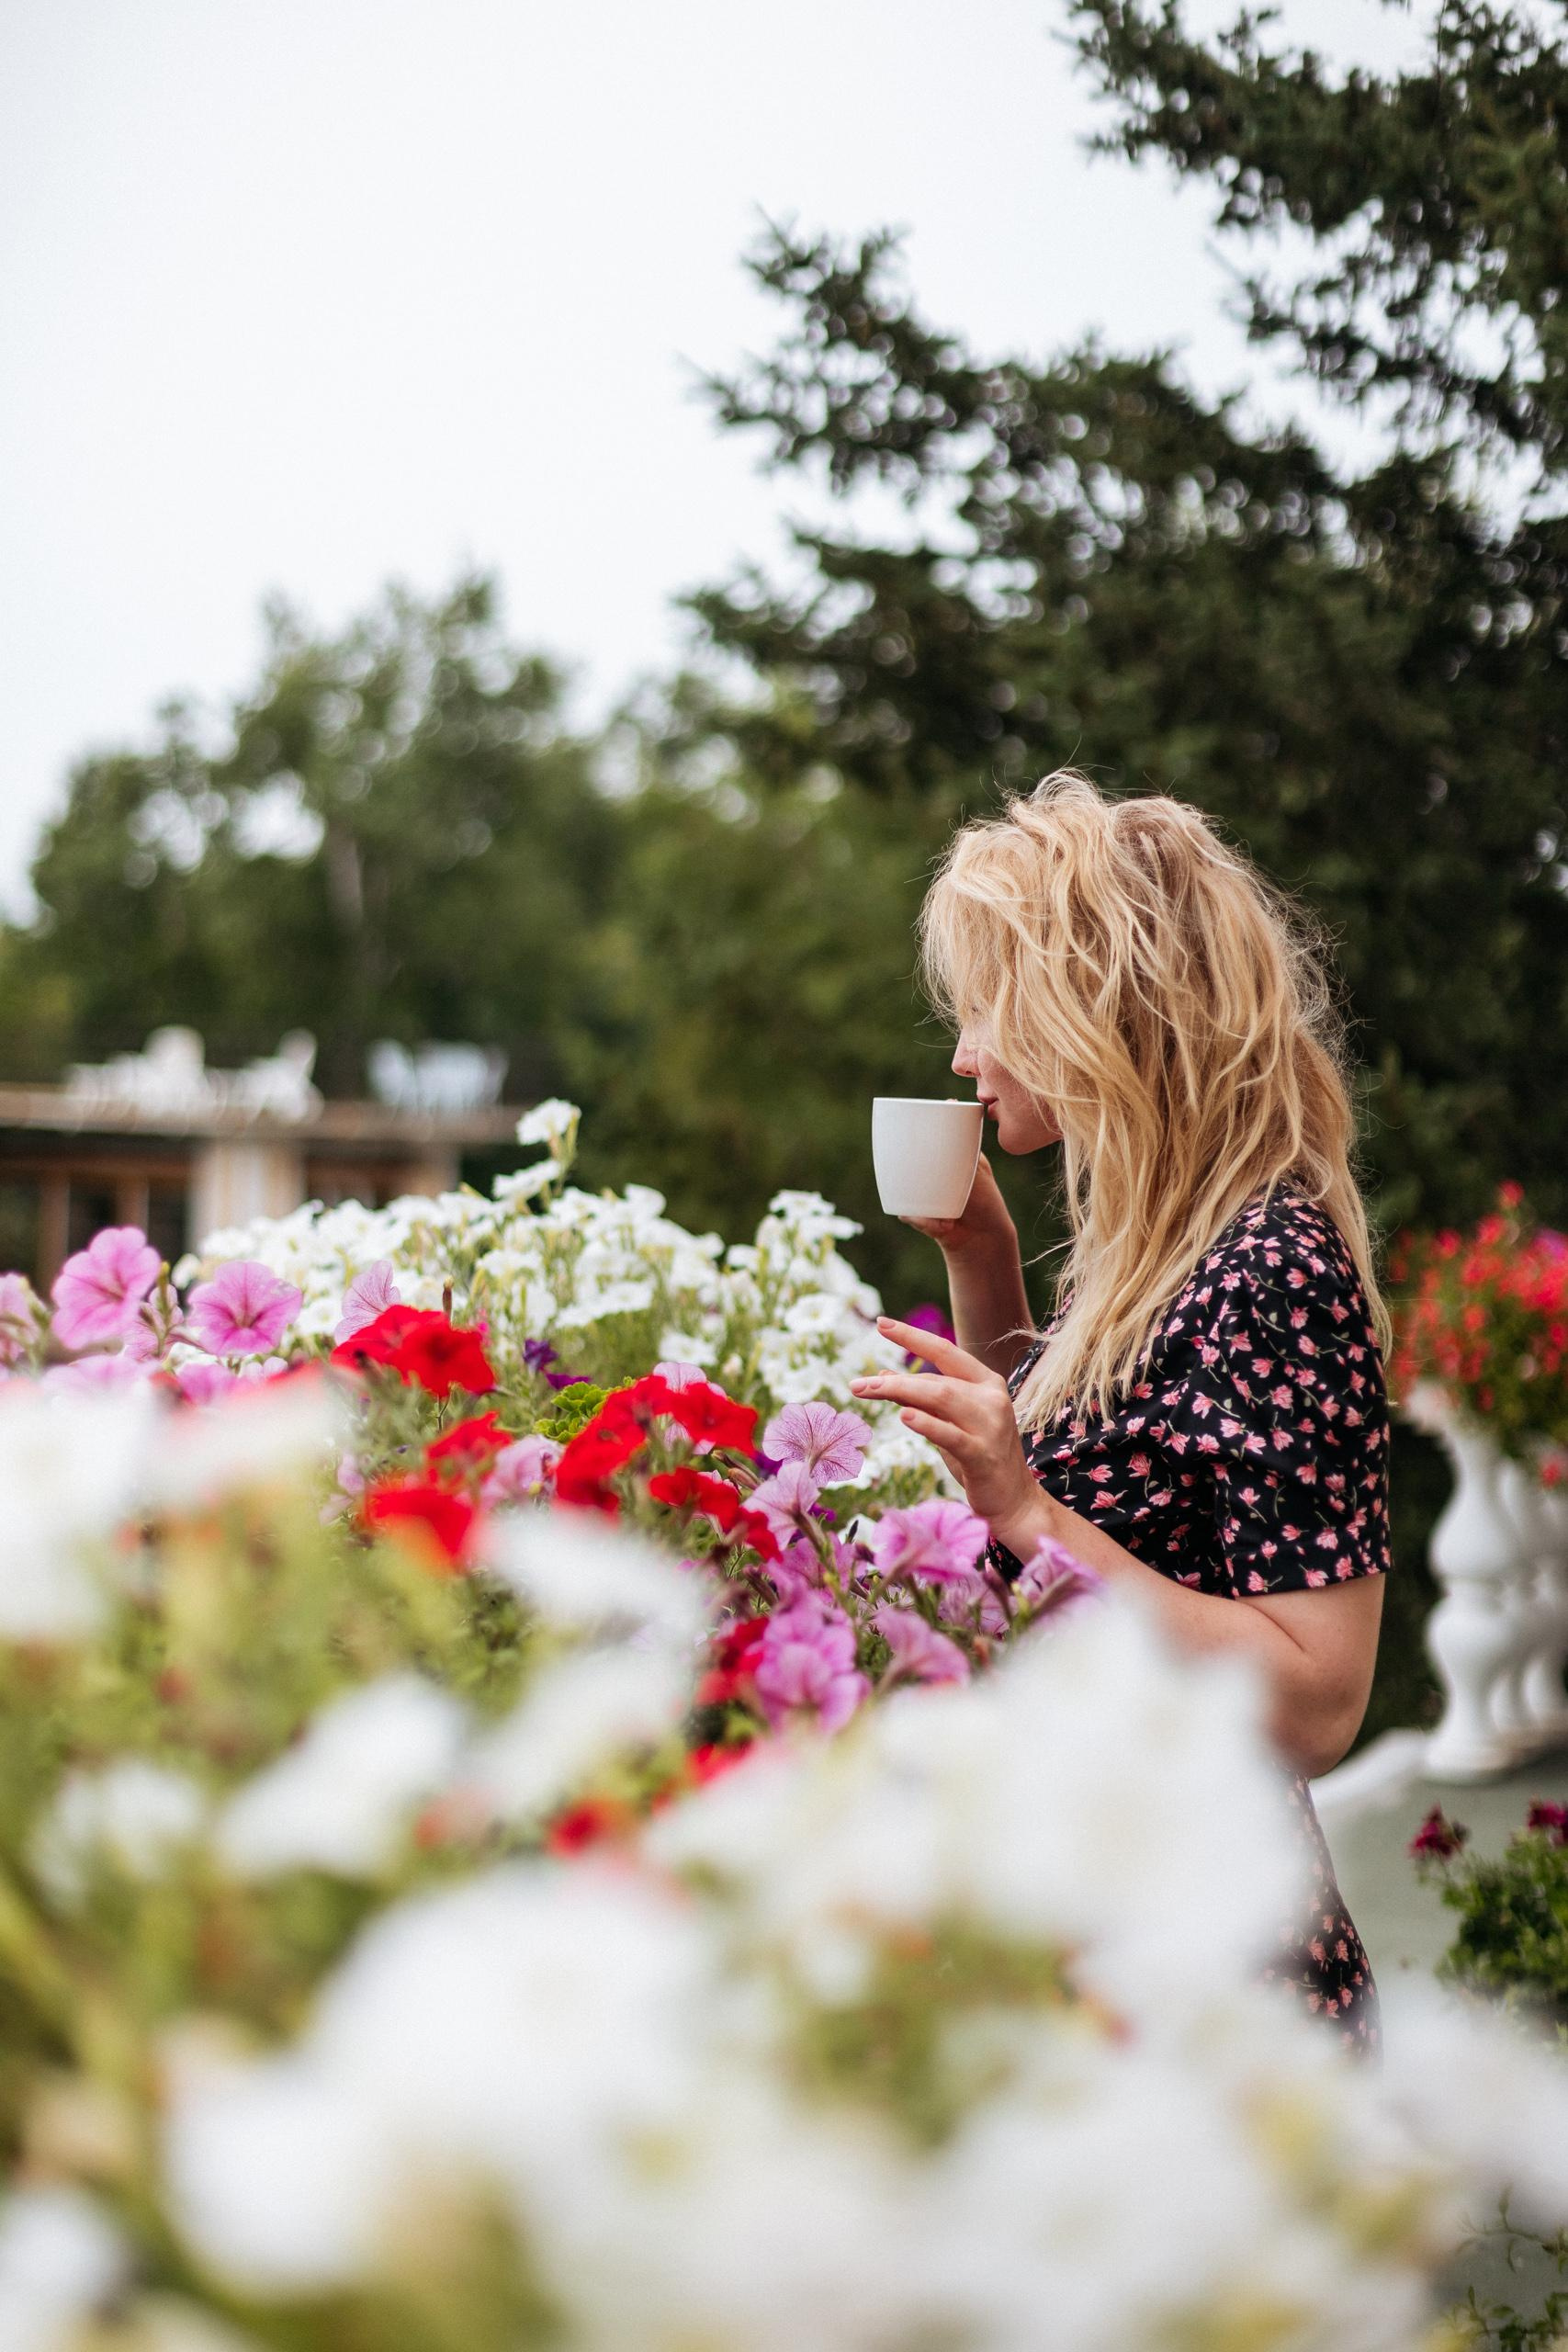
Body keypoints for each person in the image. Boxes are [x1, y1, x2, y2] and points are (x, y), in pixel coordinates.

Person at [849, 772, 1391, 2056]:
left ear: (1095, 1002)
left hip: (1221, 2000)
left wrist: (1025, 1514)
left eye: (989, 1006)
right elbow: (1121, 1506)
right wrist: (983, 1264)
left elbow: (1319, 1701)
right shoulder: (1159, 1246)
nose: (967, 1054)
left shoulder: (1273, 1268)